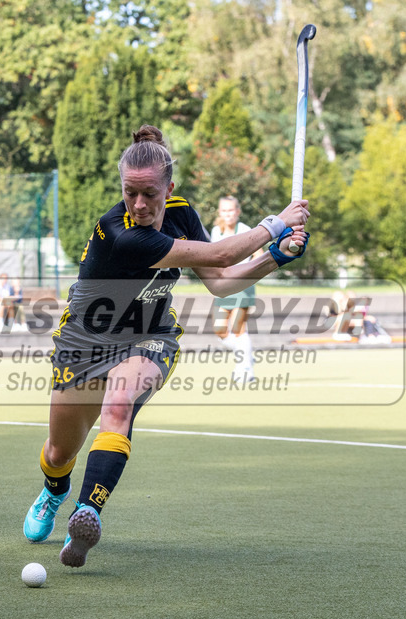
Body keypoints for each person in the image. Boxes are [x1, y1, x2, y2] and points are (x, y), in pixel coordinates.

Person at [21, 125, 309, 568]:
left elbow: (220, 283)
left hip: (149, 334)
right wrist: (276, 226)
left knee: (119, 406)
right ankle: (54, 492)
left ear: (168, 188)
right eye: (129, 193)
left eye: (149, 194)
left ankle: (86, 514)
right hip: (84, 340)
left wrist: (277, 257)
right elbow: (219, 257)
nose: (139, 204)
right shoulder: (119, 232)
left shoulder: (181, 213)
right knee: (59, 453)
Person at [210, 196, 259, 381]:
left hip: (242, 285)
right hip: (223, 286)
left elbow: (258, 255)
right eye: (224, 210)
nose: (228, 214)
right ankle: (246, 353)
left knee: (238, 328)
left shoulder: (246, 230)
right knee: (220, 330)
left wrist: (245, 274)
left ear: (238, 211)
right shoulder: (216, 231)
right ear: (219, 212)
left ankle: (245, 370)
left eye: (231, 210)